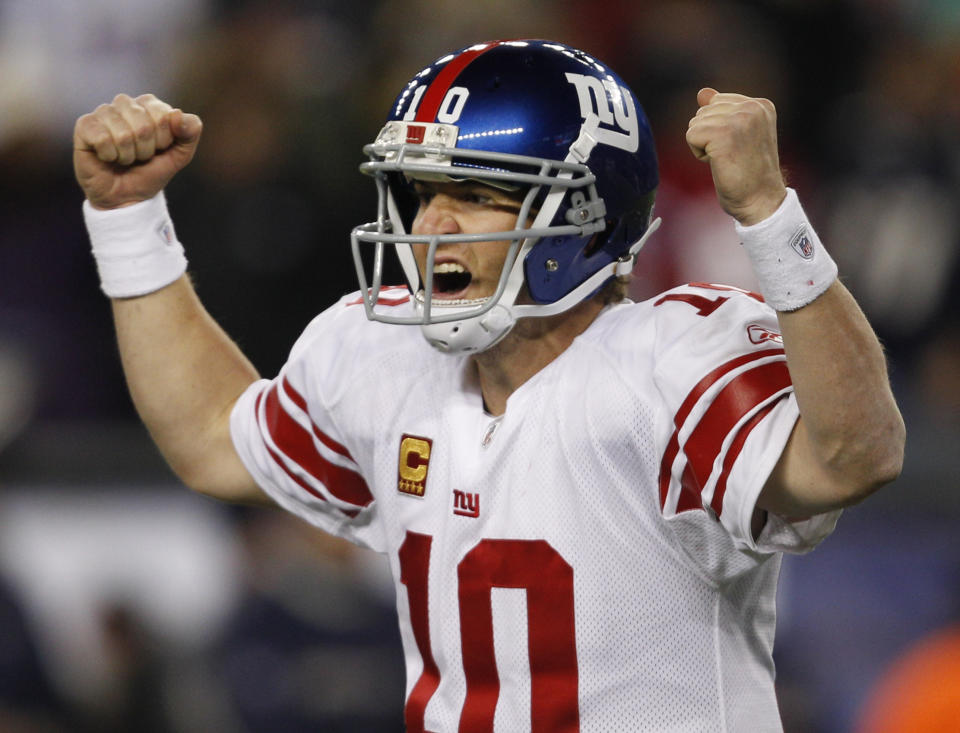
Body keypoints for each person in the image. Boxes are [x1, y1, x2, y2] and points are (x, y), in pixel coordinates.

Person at [73, 39, 904, 732]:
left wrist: (768, 212)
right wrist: (128, 218)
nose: (431, 226)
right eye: (421, 190)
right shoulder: (378, 350)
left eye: (473, 194)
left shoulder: (670, 362)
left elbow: (854, 454)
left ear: (580, 218)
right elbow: (216, 440)